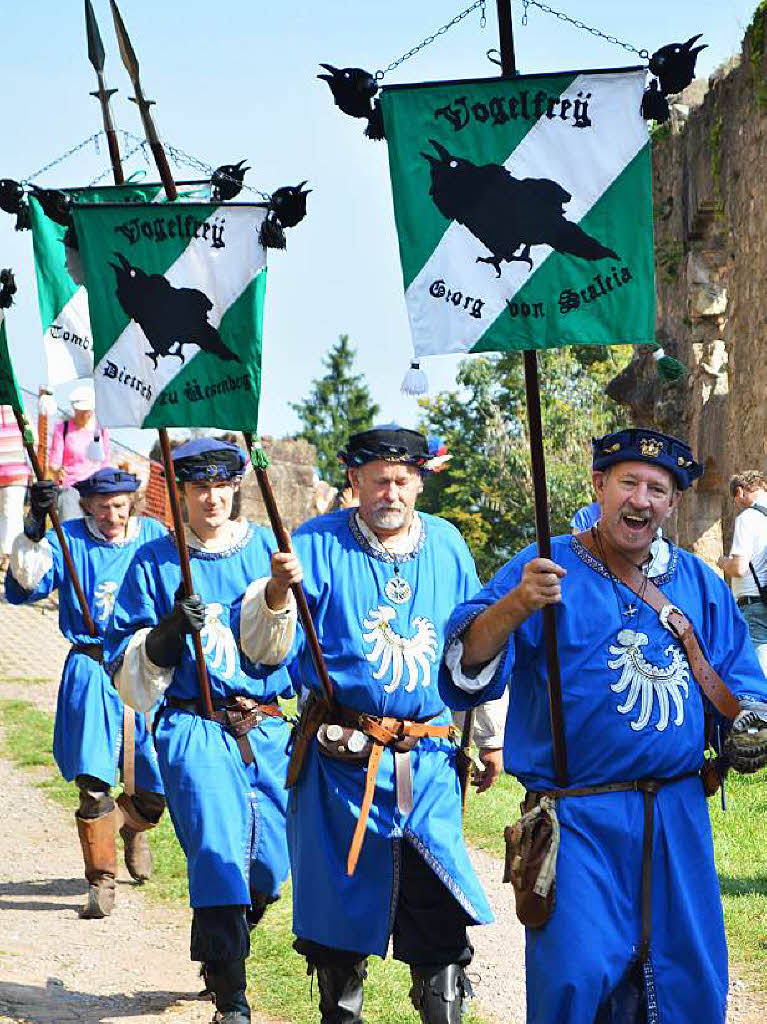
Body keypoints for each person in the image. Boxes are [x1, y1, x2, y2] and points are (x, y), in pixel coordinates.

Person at [439, 427, 767, 1024]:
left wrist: (749, 723)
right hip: (577, 820)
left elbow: (738, 680)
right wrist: (516, 605)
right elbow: (468, 661)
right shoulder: (544, 564)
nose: (641, 499)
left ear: (672, 504)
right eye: (629, 483)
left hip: (677, 816)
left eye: (657, 489)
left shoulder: (696, 582)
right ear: (599, 486)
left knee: (687, 979)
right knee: (575, 978)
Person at [286, 424, 497, 1024]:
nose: (391, 493)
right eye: (379, 481)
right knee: (340, 921)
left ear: (420, 483)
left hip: (427, 763)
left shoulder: (449, 544)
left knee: (439, 910)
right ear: (354, 481)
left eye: (403, 481)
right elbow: (271, 645)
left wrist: (490, 737)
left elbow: (474, 644)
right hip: (342, 767)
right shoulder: (318, 543)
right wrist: (278, 594)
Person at [105, 438, 300, 1024]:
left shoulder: (267, 548)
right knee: (218, 855)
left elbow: (286, 646)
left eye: (220, 486)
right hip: (195, 725)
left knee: (268, 866)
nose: (211, 498)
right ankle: (231, 1001)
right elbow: (129, 667)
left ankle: (219, 933)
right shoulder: (155, 561)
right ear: (181, 494)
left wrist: (283, 588)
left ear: (235, 486)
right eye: (198, 488)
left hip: (264, 727)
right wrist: (167, 632)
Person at [5, 467, 167, 918]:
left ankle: (133, 826)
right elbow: (28, 585)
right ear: (87, 506)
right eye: (100, 507)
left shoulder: (153, 535)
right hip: (91, 664)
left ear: (132, 503)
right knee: (93, 781)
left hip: (144, 666)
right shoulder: (68, 537)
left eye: (118, 506)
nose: (111, 516)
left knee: (158, 779)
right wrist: (35, 530)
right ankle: (101, 881)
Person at [718, 470, 767, 673]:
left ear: (739, 492)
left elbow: (739, 568)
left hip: (755, 602)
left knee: (759, 666)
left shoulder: (748, 518)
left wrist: (722, 562)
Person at [49, 383, 110, 521]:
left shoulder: (101, 430)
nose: (84, 414)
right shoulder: (62, 429)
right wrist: (56, 470)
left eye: (87, 411)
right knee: (70, 525)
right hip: (71, 487)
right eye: (80, 410)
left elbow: (106, 461)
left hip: (96, 488)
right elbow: (54, 461)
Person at [0, 404, 30, 574]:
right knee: (7, 514)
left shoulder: (19, 409)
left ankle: (10, 556)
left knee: (11, 514)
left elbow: (31, 437)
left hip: (15, 472)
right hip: (12, 471)